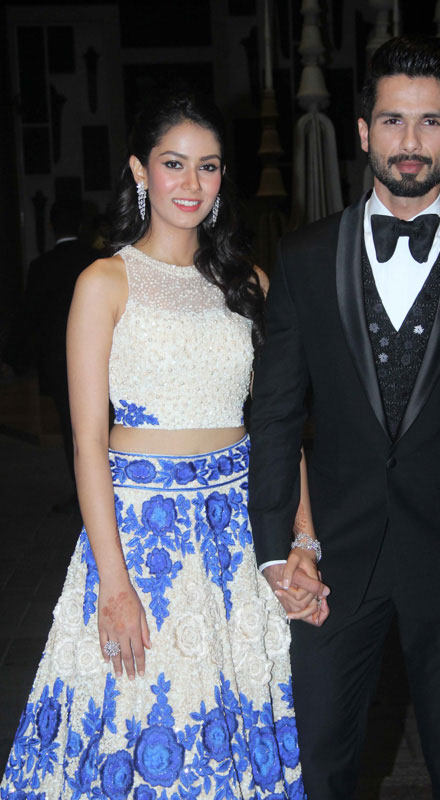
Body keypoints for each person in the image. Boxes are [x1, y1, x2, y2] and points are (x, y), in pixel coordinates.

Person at [248, 36, 440, 800]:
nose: (409, 141)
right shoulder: (303, 258)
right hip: (329, 564)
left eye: (429, 122)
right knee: (318, 764)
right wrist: (277, 551)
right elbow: (276, 416)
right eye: (392, 120)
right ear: (362, 131)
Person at [1, 90, 325, 799]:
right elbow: (88, 443)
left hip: (235, 535)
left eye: (208, 166)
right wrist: (113, 585)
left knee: (240, 732)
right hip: (142, 542)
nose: (191, 182)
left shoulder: (249, 284)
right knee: (144, 727)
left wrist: (304, 539)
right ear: (139, 170)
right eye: (173, 163)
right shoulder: (104, 282)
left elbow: (277, 429)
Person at [2, 201, 98, 508]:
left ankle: (83, 494)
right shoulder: (97, 260)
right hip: (102, 356)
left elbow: (28, 316)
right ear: (81, 226)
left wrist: (11, 357)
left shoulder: (42, 266)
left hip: (60, 361)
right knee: (104, 424)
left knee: (74, 428)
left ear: (52, 226)